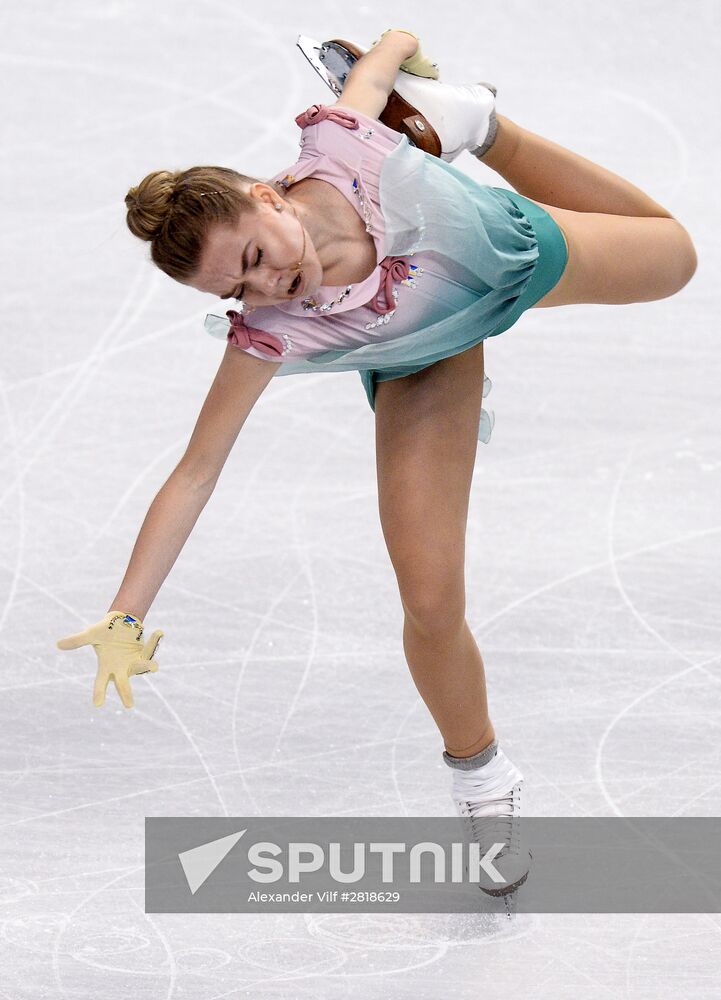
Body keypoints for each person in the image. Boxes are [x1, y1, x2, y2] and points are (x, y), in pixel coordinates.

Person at [56, 28, 697, 894]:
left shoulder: (341, 144)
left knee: (675, 258)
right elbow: (196, 470)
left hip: (507, 254)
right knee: (430, 599)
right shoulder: (269, 329)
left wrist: (403, 62)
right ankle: (482, 780)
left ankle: (475, 126)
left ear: (271, 193)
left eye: (253, 258)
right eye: (234, 291)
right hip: (423, 358)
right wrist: (126, 615)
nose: (265, 288)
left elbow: (385, 48)